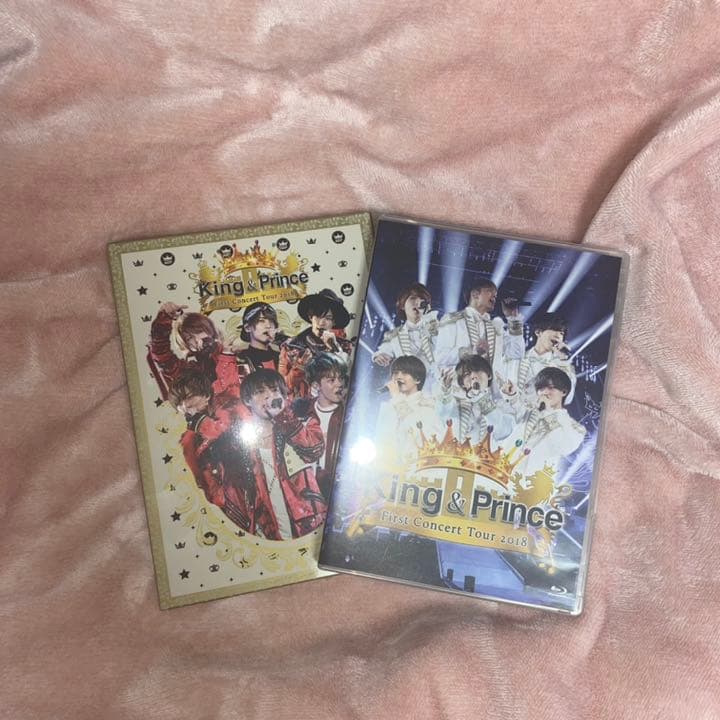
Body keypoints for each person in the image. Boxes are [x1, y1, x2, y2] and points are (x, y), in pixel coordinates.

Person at [237, 369, 327, 539]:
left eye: (274, 390)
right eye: (260, 392)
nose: (269, 396)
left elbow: (314, 450)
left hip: (307, 526)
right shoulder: (242, 444)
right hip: (267, 533)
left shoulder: (301, 421)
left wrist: (284, 417)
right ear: (247, 400)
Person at [167, 369, 253, 531]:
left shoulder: (228, 404)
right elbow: (201, 478)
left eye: (188, 400)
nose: (185, 408)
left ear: (204, 394)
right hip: (229, 500)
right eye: (180, 406)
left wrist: (201, 423)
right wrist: (220, 497)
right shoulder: (190, 439)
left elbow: (228, 431)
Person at [435, 278, 524, 382]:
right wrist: (472, 351)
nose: (494, 297)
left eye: (495, 295)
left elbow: (516, 353)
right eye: (490, 291)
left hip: (490, 389)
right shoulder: (453, 320)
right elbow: (440, 357)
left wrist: (513, 317)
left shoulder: (495, 327)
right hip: (461, 387)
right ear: (475, 294)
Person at [506, 367, 586, 479]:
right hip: (504, 472)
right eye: (541, 388)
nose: (544, 392)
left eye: (550, 387)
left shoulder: (575, 427)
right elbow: (514, 410)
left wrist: (548, 412)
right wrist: (512, 394)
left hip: (533, 482)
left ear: (564, 392)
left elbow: (563, 447)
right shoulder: (530, 411)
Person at [279, 288, 353, 398]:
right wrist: (300, 367)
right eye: (318, 316)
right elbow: (282, 388)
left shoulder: (344, 347)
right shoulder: (291, 346)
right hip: (303, 405)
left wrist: (335, 350)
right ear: (310, 317)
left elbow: (350, 380)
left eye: (328, 318)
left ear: (334, 322)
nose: (322, 323)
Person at [376, 355, 441, 465]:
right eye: (395, 373)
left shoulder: (428, 405)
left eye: (405, 373)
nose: (399, 377)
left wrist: (397, 398)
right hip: (386, 468)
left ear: (417, 379)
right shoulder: (389, 406)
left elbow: (419, 433)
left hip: (415, 467)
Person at [502, 313, 576, 408]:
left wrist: (563, 361)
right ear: (538, 332)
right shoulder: (517, 359)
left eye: (562, 333)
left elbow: (568, 398)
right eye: (554, 329)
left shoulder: (562, 366)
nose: (558, 335)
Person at [436, 354, 513, 445]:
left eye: (477, 370)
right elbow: (442, 414)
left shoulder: (500, 404)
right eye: (467, 374)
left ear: (489, 375)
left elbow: (504, 431)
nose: (473, 376)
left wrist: (482, 400)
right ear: (462, 383)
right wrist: (445, 390)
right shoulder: (456, 404)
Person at [305, 353, 349, 500]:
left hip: (336, 493)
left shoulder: (348, 415)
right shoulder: (301, 412)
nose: (339, 384)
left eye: (341, 378)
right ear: (316, 385)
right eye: (331, 380)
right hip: (306, 492)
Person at [372, 283, 439, 377]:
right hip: (407, 382)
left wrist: (430, 318)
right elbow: (384, 350)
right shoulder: (393, 335)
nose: (418, 302)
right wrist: (380, 356)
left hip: (435, 382)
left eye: (422, 300)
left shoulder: (439, 328)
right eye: (413, 298)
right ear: (402, 305)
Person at [235, 301, 280, 371]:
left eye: (271, 321)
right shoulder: (240, 359)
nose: (268, 326)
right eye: (261, 321)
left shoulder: (282, 357)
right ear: (247, 327)